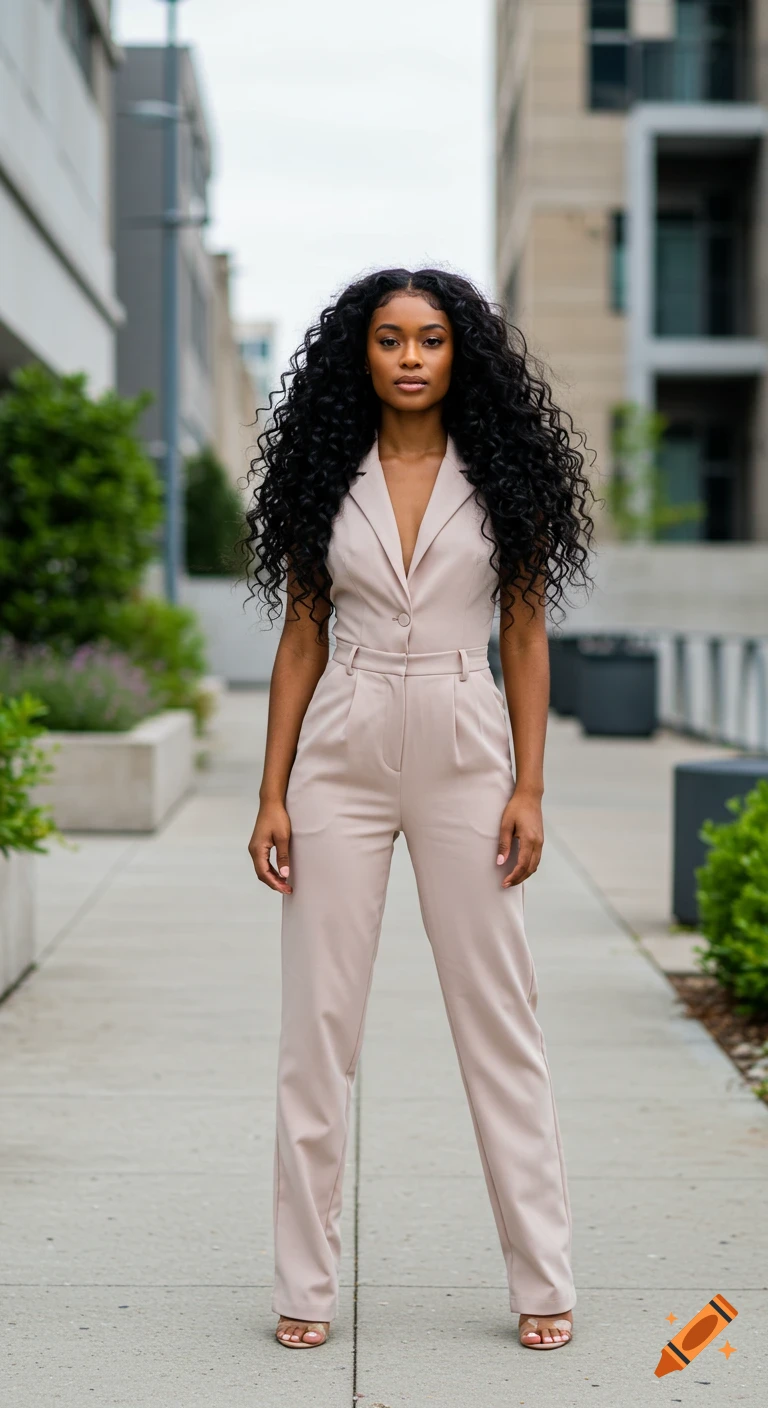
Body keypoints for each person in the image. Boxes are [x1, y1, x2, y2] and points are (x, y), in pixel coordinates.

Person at [242, 268, 595, 1352]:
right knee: (317, 1035)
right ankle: (305, 1286)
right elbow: (302, 636)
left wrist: (530, 785)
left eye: (429, 339)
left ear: (459, 355)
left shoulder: (503, 479)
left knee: (502, 1026)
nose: (407, 356)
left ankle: (544, 1279)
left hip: (463, 743)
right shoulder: (322, 478)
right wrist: (271, 790)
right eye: (389, 338)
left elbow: (526, 637)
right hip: (339, 752)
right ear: (362, 353)